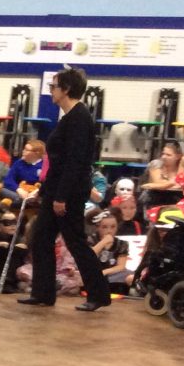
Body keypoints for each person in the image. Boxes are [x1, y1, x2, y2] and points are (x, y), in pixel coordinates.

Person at [19, 66, 111, 312]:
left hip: (68, 194)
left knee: (76, 243)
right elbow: (58, 163)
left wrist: (60, 197)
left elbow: (75, 163)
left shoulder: (79, 118)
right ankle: (43, 293)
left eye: (54, 86)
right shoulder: (69, 117)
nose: (51, 90)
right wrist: (44, 190)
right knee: (41, 238)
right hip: (56, 191)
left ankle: (99, 294)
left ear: (66, 89)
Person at [88, 210, 131, 292]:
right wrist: (103, 242)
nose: (109, 230)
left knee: (131, 277)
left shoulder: (122, 244)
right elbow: (88, 257)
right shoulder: (91, 240)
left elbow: (121, 266)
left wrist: (105, 272)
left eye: (113, 227)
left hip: (112, 273)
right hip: (93, 272)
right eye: (104, 227)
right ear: (98, 227)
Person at [0, 139, 45, 207]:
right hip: (18, 193)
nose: (23, 151)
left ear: (36, 153)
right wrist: (19, 189)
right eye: (24, 149)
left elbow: (46, 184)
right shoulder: (19, 163)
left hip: (35, 195)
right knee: (3, 190)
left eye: (26, 150)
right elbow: (8, 179)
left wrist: (36, 192)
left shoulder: (44, 166)